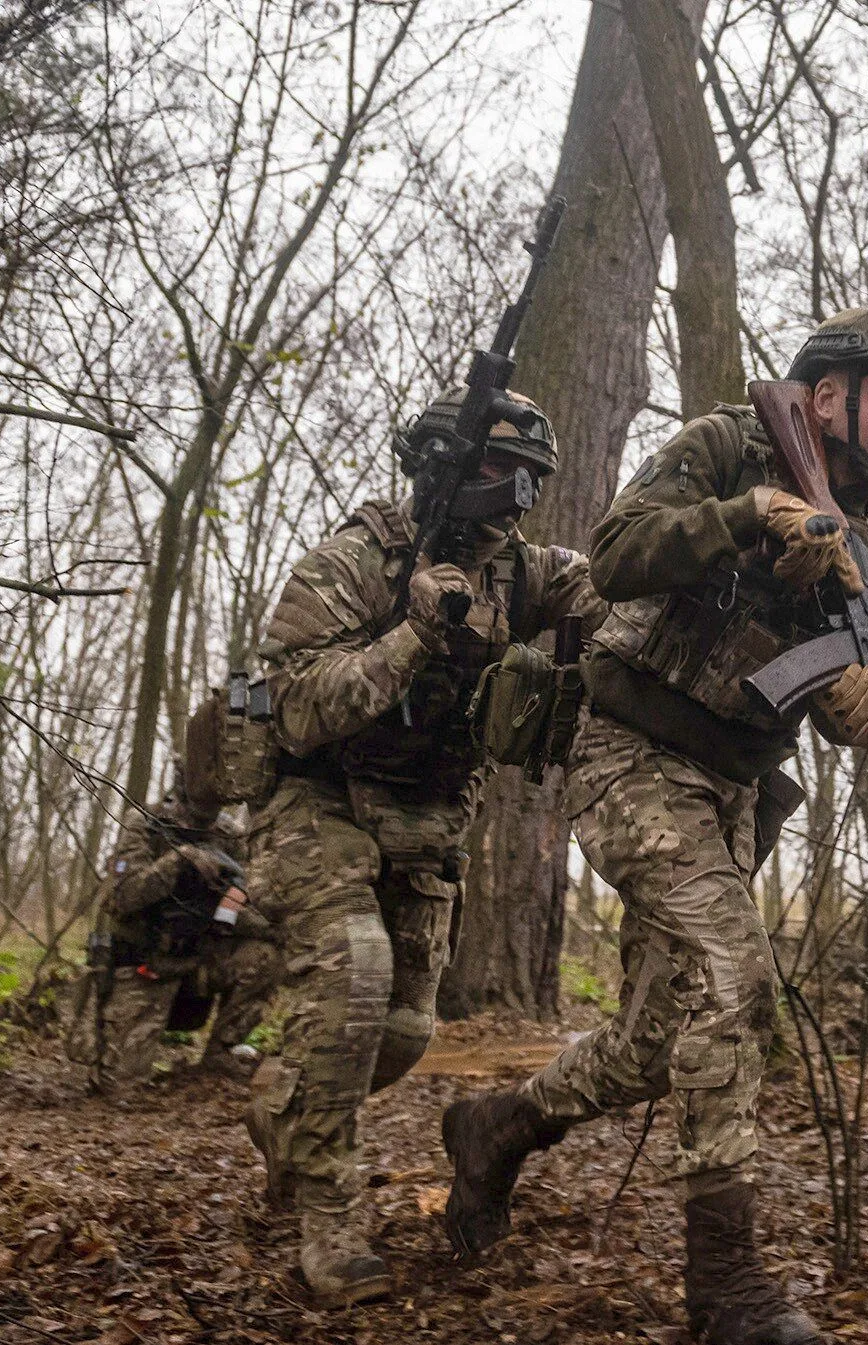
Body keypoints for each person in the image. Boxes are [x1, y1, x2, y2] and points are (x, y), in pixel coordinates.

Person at [441, 308, 868, 1345]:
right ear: (827, 396)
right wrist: (748, 516)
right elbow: (615, 553)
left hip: (733, 786)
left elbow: (849, 680)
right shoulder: (729, 445)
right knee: (735, 976)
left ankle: (497, 1127)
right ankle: (725, 1286)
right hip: (628, 746)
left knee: (654, 1042)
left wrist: (857, 707)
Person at [244, 387, 605, 1303]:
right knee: (356, 978)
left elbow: (608, 586)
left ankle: (286, 1108)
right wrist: (412, 634)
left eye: (530, 475)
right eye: (498, 468)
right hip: (316, 802)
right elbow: (298, 707)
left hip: (425, 820)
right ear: (444, 464)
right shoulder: (352, 561)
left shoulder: (520, 574)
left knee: (404, 1032)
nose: (516, 494)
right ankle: (330, 1218)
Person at [64, 792, 281, 1091]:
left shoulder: (230, 835)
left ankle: (221, 1053)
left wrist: (267, 924)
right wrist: (180, 861)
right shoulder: (145, 822)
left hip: (196, 961)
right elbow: (121, 898)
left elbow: (240, 903)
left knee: (265, 955)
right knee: (120, 1086)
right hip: (145, 966)